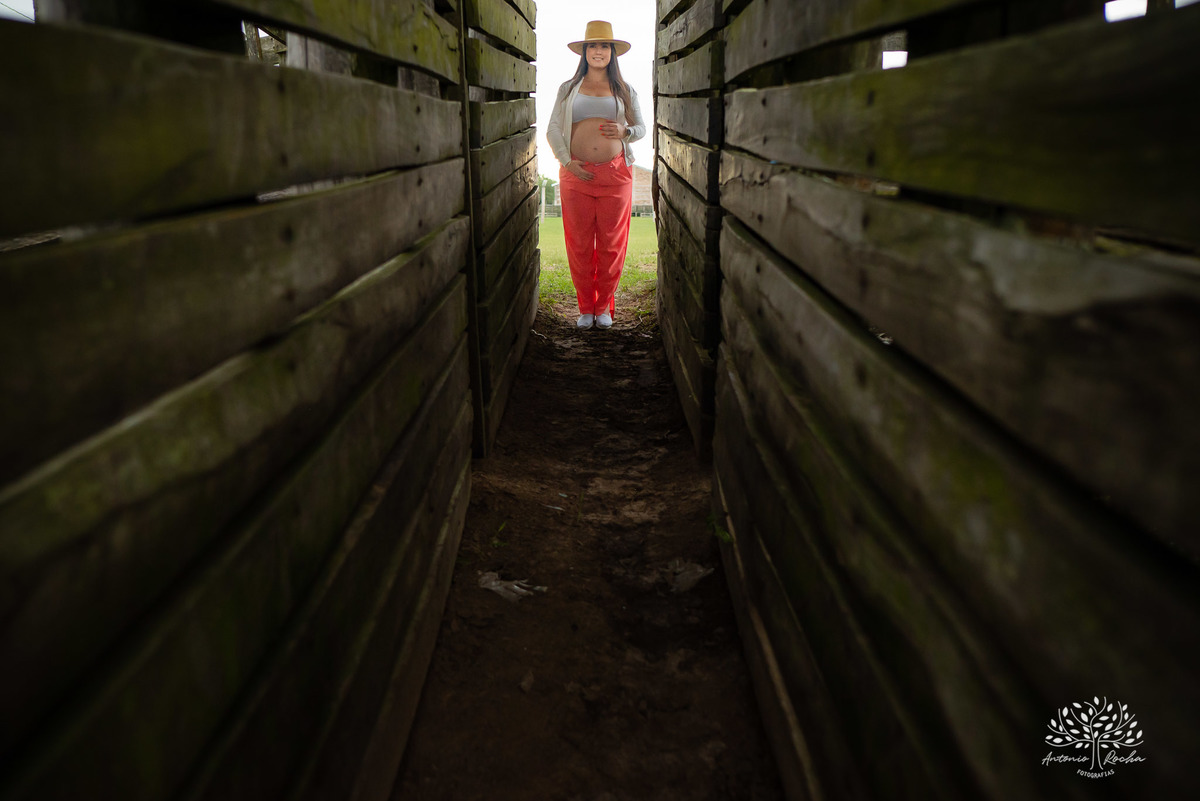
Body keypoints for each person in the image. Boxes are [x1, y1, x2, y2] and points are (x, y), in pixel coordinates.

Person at [546, 20, 646, 331]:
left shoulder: (625, 90)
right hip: (576, 174)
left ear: (613, 53)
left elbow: (641, 128)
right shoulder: (568, 88)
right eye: (592, 45)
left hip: (615, 174)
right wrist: (566, 161)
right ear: (584, 52)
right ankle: (585, 307)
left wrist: (624, 130)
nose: (598, 51)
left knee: (611, 244)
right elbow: (552, 129)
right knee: (578, 243)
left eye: (604, 46)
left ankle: (603, 307)